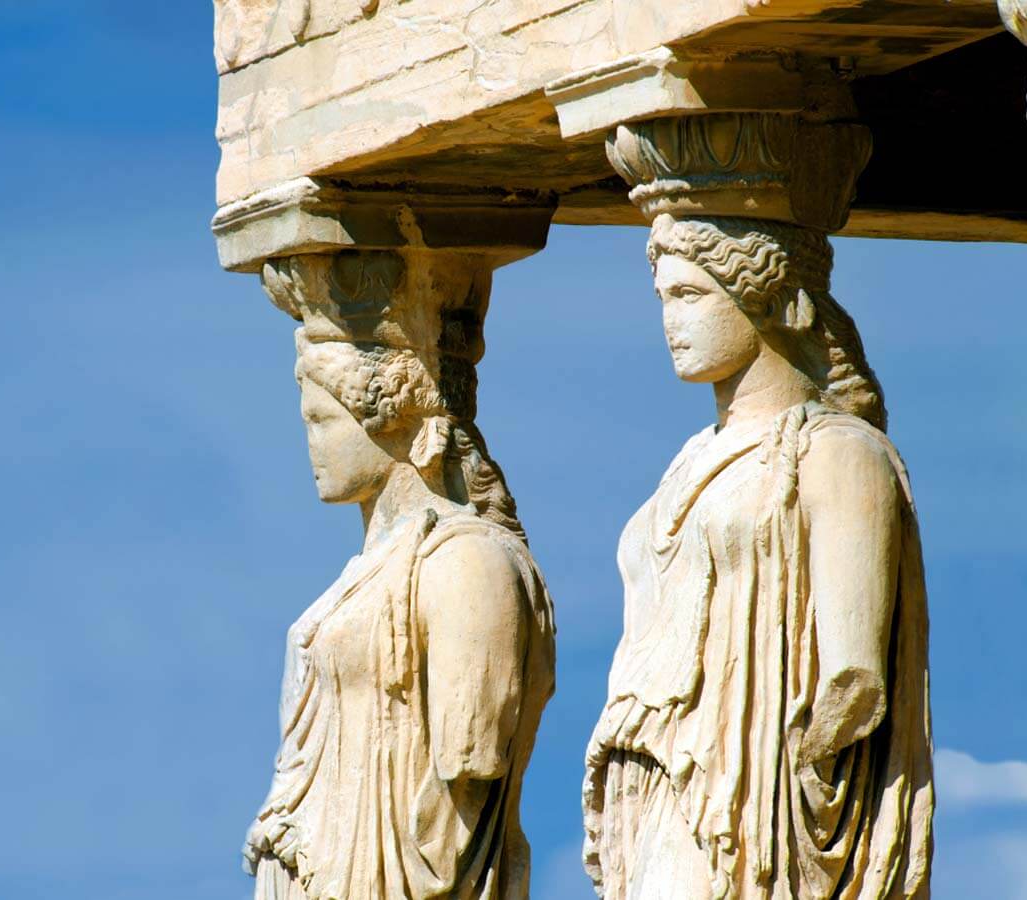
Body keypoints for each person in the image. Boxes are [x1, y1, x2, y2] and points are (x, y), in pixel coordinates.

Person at [584, 215, 934, 899]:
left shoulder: (835, 453)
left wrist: (791, 766)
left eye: (691, 296)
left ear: (774, 301)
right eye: (664, 298)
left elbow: (854, 677)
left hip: (748, 787)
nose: (669, 321)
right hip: (649, 774)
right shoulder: (685, 462)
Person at [245, 250, 556, 900]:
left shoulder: (466, 563)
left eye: (322, 420)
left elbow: (466, 765)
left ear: (390, 419)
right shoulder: (364, 574)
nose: (311, 442)